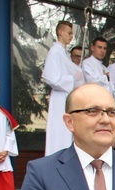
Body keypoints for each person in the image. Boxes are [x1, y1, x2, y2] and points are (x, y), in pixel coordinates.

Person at [42, 20, 84, 155]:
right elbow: (51, 78)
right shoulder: (55, 52)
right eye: (69, 33)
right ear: (60, 32)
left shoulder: (63, 53)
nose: (71, 36)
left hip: (67, 97)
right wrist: (73, 78)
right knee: (60, 131)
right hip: (60, 98)